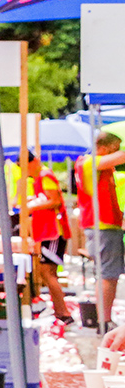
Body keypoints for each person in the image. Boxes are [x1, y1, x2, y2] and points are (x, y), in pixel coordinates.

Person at [76, 131, 125, 331]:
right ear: (103, 148)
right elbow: (121, 157)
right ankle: (104, 321)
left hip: (104, 224)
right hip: (102, 225)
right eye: (114, 149)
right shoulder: (88, 163)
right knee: (108, 275)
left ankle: (105, 320)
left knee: (108, 274)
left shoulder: (95, 166)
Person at [22, 151, 75, 325]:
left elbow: (55, 201)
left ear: (34, 162)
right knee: (46, 272)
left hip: (53, 231)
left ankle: (63, 312)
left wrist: (32, 207)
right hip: (46, 231)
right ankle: (59, 310)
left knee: (48, 272)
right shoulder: (38, 179)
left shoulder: (45, 176)